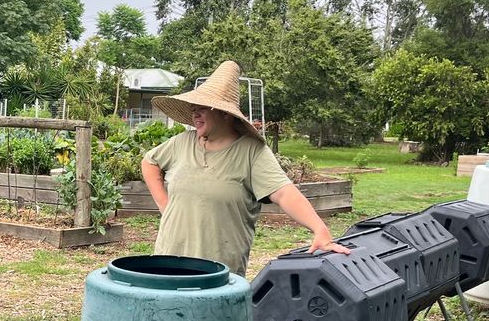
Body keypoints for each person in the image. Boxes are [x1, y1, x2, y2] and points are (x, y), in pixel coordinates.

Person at [140, 60, 350, 277]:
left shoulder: (251, 152)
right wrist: (164, 205)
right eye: (194, 108)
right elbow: (149, 162)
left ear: (224, 113)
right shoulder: (181, 143)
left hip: (217, 275)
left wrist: (320, 229)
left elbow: (284, 192)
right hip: (167, 264)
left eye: (203, 108)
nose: (195, 114)